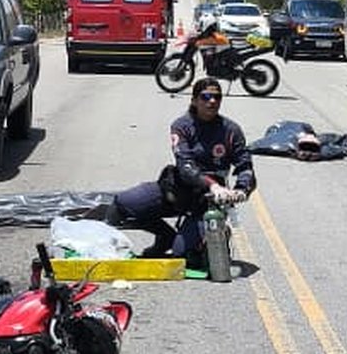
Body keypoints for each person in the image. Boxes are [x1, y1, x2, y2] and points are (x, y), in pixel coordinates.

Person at [108, 77, 255, 261]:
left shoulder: (231, 130)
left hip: (208, 200)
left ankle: (215, 235)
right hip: (179, 189)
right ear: (194, 100)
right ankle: (164, 237)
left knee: (183, 254)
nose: (212, 101)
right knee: (123, 203)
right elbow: (185, 166)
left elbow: (245, 166)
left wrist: (242, 189)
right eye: (206, 96)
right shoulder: (182, 126)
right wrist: (211, 185)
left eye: (217, 97)